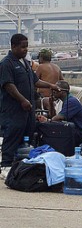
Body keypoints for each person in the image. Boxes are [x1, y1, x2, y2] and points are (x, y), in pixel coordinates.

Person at [0, 34, 60, 179]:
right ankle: (6, 165)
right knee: (12, 134)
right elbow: (9, 85)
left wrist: (51, 85)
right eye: (22, 46)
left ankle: (20, 163)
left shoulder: (25, 63)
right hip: (13, 109)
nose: (25, 49)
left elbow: (35, 81)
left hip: (27, 109)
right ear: (13, 46)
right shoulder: (7, 63)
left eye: (26, 46)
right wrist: (22, 100)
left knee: (27, 135)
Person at [37, 80, 82, 147]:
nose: (53, 92)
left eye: (55, 90)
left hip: (81, 134)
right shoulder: (64, 101)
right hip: (73, 130)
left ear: (63, 92)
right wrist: (51, 104)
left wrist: (47, 121)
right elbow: (54, 117)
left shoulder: (71, 101)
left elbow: (59, 118)